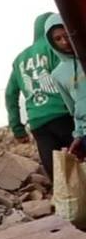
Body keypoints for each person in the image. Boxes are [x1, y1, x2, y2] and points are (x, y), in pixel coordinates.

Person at [5, 12, 74, 179]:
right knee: (79, 163)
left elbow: (10, 94)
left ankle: (66, 203)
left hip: (38, 123)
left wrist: (17, 127)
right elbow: (71, 78)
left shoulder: (20, 58)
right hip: (64, 115)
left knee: (57, 174)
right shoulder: (56, 48)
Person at [45, 14, 86, 160]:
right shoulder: (58, 74)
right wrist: (78, 136)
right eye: (58, 39)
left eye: (67, 35)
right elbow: (74, 109)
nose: (65, 42)